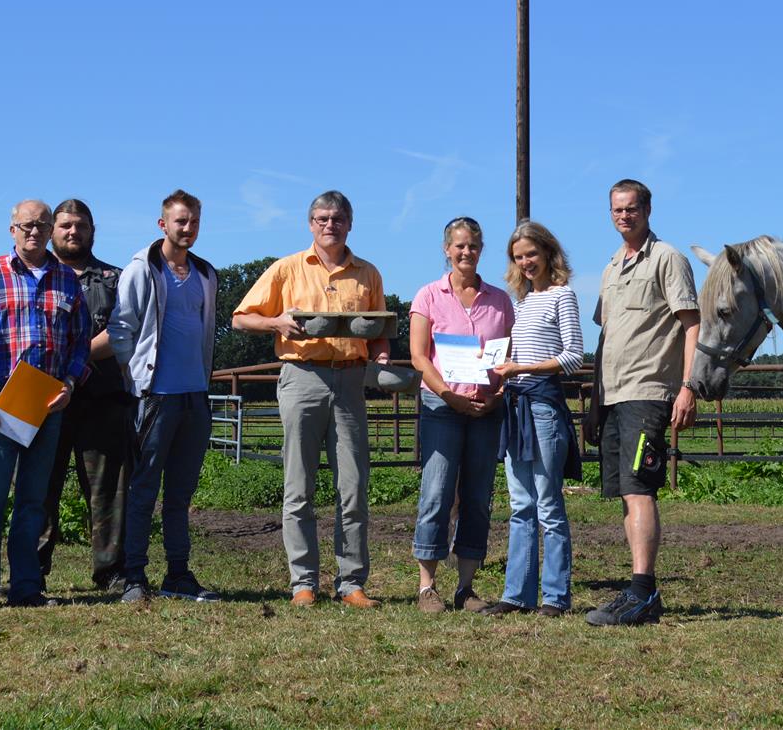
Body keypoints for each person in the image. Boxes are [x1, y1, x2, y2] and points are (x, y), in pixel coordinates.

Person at [232, 190, 390, 608]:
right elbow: (240, 317)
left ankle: (351, 583)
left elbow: (379, 333)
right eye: (321, 218)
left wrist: (384, 356)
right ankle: (303, 581)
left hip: (351, 381)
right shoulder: (286, 269)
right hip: (301, 377)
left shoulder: (368, 274)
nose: (329, 225)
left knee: (353, 486)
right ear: (310, 224)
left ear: (350, 223)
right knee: (298, 485)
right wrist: (276, 322)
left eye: (337, 218)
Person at [0, 199, 89, 608]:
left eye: (41, 225)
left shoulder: (67, 279)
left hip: (46, 399)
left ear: (51, 230)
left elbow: (80, 341)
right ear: (12, 229)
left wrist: (70, 381)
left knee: (34, 500)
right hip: (0, 398)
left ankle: (27, 585)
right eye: (27, 225)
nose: (34, 231)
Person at [585, 179, 699, 626]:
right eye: (616, 210)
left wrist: (688, 386)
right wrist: (596, 402)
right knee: (626, 494)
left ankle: (643, 593)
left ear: (647, 209)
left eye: (631, 209)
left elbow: (692, 325)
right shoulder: (612, 266)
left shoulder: (668, 259)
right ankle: (637, 589)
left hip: (649, 391)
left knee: (639, 488)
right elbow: (606, 337)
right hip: (613, 394)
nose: (623, 217)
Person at [110, 190, 222, 603]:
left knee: (181, 493)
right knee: (144, 488)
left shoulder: (207, 275)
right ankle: (135, 576)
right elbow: (122, 328)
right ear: (163, 224)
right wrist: (134, 375)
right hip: (155, 396)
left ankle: (178, 573)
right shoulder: (142, 269)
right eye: (180, 221)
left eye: (193, 221)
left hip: (195, 395)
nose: (187, 228)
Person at [406, 216, 514, 614]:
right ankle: (427, 586)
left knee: (477, 496)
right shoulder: (428, 296)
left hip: (486, 408)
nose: (465, 252)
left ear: (481, 250)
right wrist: (448, 394)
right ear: (446, 249)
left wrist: (499, 394)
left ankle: (466, 588)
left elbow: (508, 356)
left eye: (472, 246)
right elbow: (419, 356)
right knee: (436, 491)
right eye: (459, 245)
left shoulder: (500, 301)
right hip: (442, 406)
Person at [484, 220, 584, 618]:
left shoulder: (563, 297)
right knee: (520, 504)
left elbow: (573, 356)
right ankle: (517, 594)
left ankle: (555, 597)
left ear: (547, 254)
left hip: (542, 406)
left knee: (548, 503)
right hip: (516, 405)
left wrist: (521, 368)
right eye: (518, 256)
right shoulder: (520, 304)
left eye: (531, 254)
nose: (526, 262)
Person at [36, 199, 128, 591]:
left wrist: (73, 361)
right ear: (52, 230)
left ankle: (111, 571)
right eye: (66, 226)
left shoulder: (116, 278)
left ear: (92, 230)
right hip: (44, 397)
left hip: (102, 398)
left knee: (108, 490)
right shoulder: (35, 276)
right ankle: (31, 570)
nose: (73, 232)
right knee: (39, 486)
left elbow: (124, 330)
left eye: (81, 226)